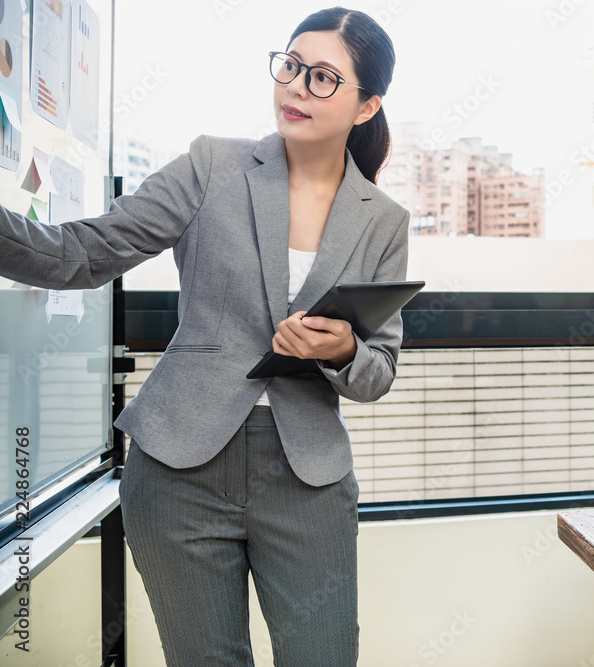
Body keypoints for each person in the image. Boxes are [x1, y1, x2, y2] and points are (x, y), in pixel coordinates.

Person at [0, 7, 404, 665]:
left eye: (324, 77)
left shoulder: (383, 220)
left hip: (308, 477)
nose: (297, 86)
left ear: (366, 106)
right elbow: (85, 252)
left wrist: (343, 350)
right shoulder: (212, 165)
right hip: (179, 467)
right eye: (292, 65)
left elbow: (380, 367)